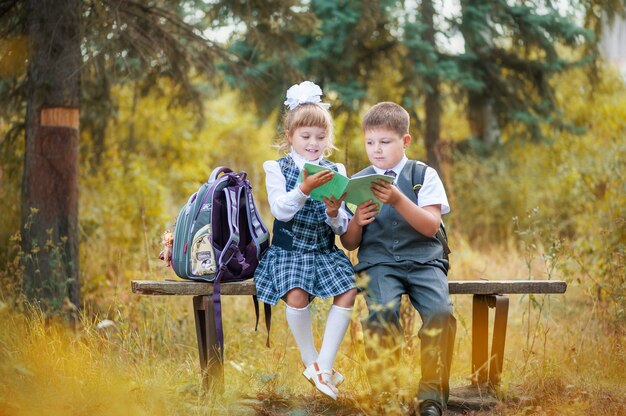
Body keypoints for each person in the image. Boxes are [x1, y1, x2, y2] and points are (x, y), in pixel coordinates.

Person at [341, 102, 456, 416]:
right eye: (370, 143)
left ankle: (432, 397)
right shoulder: (358, 181)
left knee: (440, 314)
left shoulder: (422, 175)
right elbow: (350, 242)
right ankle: (385, 393)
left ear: (404, 141)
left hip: (424, 260)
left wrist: (397, 199)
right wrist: (357, 221)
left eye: (385, 142)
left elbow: (431, 226)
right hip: (379, 262)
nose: (376, 150)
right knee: (381, 311)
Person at [254, 81, 357, 401]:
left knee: (349, 291)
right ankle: (311, 362)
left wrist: (335, 212)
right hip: (288, 252)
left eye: (320, 137)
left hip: (324, 251)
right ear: (290, 137)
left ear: (329, 138)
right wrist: (304, 188)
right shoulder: (276, 167)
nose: (314, 143)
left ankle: (323, 368)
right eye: (306, 136)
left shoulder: (335, 168)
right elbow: (281, 211)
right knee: (296, 295)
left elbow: (341, 229)